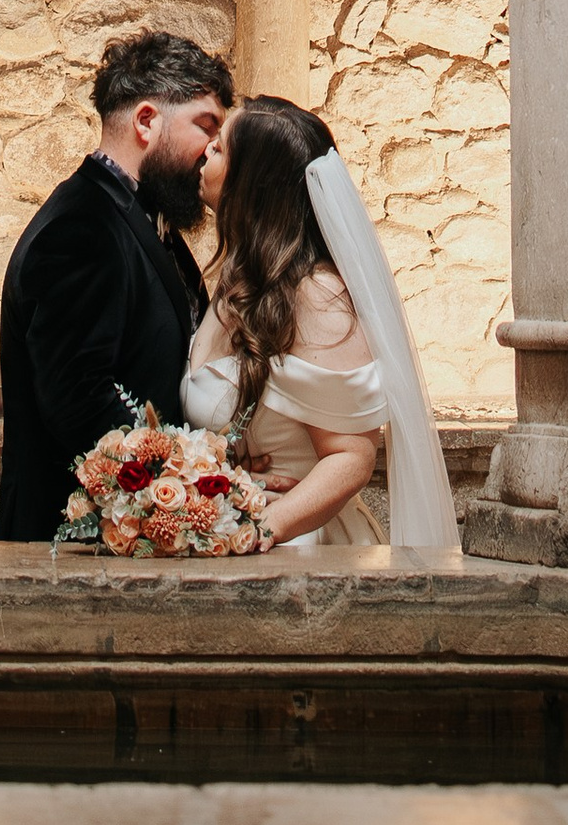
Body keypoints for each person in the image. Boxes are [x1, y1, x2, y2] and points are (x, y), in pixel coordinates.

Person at [182, 95, 461, 555]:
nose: (206, 151)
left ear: (252, 182)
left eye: (221, 148)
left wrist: (255, 530)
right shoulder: (240, 279)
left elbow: (351, 458)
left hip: (302, 552)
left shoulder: (316, 296)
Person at [0, 29, 233, 542]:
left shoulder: (138, 217)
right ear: (147, 120)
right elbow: (78, 398)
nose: (211, 149)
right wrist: (182, 493)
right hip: (76, 543)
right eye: (205, 126)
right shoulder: (80, 228)